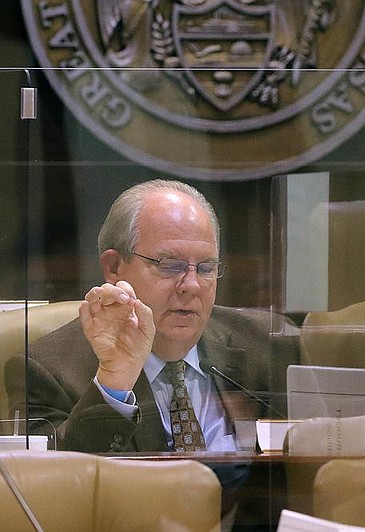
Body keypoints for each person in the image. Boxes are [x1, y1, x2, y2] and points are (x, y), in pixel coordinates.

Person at [5, 179, 299, 527]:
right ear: (114, 267)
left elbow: (300, 479)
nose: (191, 286)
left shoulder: (266, 346)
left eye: (205, 268)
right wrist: (114, 381)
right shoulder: (46, 369)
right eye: (170, 265)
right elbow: (47, 504)